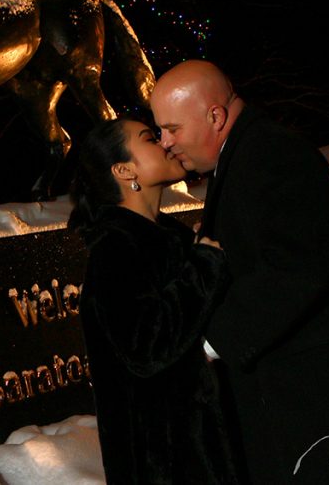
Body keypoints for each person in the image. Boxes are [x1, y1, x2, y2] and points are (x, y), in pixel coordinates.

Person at [150, 60, 329, 484]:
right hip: (303, 402)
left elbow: (296, 267)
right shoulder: (245, 155)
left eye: (172, 128)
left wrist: (208, 342)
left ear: (215, 116)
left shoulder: (271, 154)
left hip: (323, 404)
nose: (165, 143)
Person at [69, 118, 240, 484]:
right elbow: (146, 346)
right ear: (124, 169)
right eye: (150, 138)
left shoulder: (170, 238)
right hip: (162, 465)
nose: (165, 142)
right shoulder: (115, 249)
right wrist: (203, 269)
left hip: (204, 450)